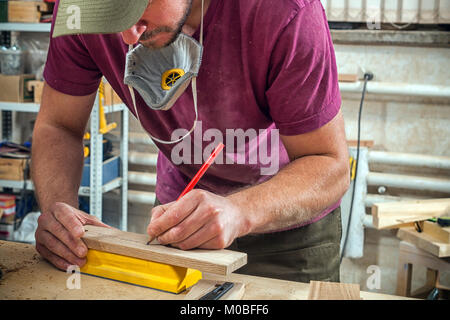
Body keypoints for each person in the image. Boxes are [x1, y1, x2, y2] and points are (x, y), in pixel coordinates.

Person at [32, 0, 350, 283]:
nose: (128, 35)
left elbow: (329, 165)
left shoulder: (285, 12)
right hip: (180, 217)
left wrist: (239, 211)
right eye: (111, 13)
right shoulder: (79, 11)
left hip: (289, 230)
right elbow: (59, 126)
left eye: (137, 6)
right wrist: (61, 217)